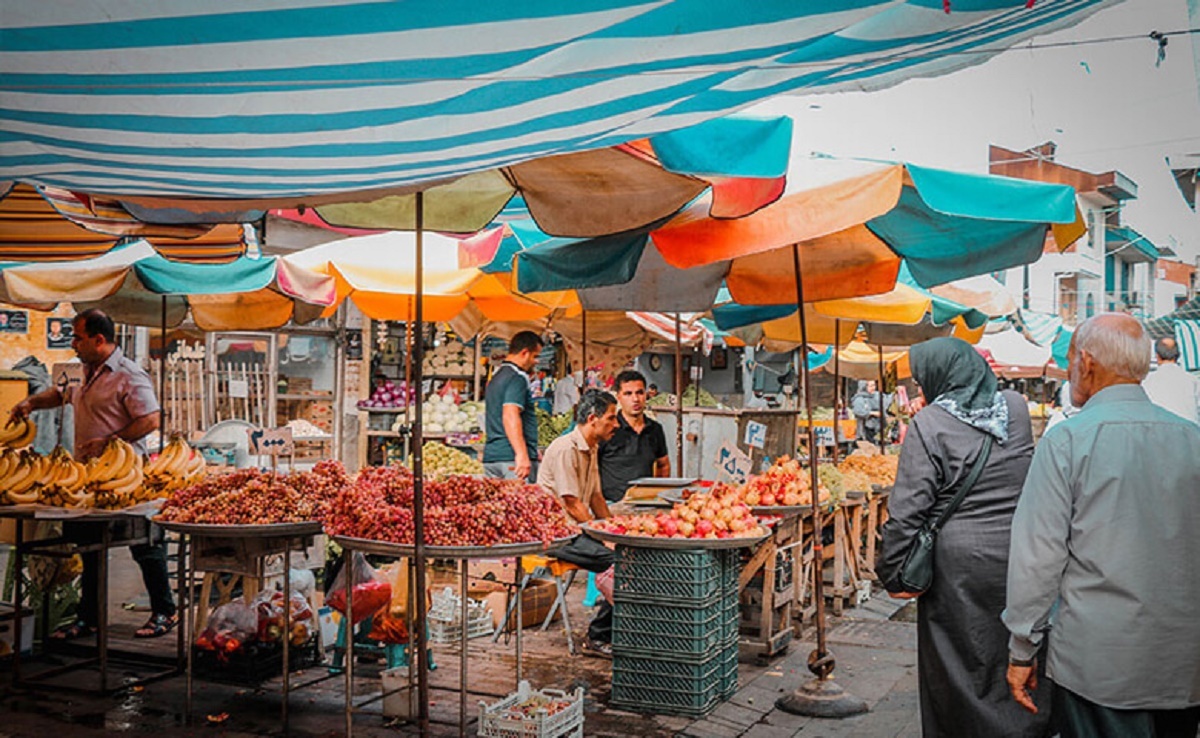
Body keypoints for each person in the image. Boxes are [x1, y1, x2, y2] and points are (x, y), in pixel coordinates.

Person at [1003, 314, 1200, 737]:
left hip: (1098, 665)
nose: (1071, 368)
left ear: (1087, 362)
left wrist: (1023, 649)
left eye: (1071, 357)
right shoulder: (1191, 440)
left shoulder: (1067, 441)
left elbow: (1037, 559)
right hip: (1183, 663)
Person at [877, 337, 1048, 738]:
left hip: (957, 570)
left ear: (940, 377)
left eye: (923, 380)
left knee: (958, 663)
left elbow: (908, 510)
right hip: (1019, 555)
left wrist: (893, 573)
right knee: (1015, 649)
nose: (921, 389)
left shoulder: (929, 423)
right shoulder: (1017, 408)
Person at [11, 309, 177, 639]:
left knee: (145, 547)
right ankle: (89, 617)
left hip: (125, 476)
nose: (72, 343)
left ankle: (164, 611)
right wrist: (31, 404)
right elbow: (60, 395)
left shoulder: (130, 375)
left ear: (99, 340)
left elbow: (150, 420)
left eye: (78, 337)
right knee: (88, 548)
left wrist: (110, 441)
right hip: (85, 477)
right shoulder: (79, 371)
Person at [537, 389, 621, 658]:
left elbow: (595, 497)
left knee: (627, 554)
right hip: (557, 535)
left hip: (577, 530)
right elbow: (573, 503)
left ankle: (614, 630)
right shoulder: (565, 449)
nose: (616, 425)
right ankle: (597, 637)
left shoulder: (591, 448)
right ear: (593, 418)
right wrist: (605, 537)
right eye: (611, 418)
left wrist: (614, 530)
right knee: (618, 561)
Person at [598, 370, 670, 504]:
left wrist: (659, 494)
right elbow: (591, 469)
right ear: (618, 397)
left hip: (645, 504)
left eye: (640, 392)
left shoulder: (655, 429)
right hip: (611, 504)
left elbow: (663, 464)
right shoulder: (608, 428)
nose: (635, 399)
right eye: (628, 394)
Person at [482, 331, 543, 482]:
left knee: (496, 505)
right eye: (535, 356)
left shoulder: (496, 377)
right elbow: (510, 414)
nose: (537, 362)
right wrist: (522, 454)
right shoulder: (517, 378)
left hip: (492, 457)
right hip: (511, 460)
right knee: (519, 503)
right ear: (524, 353)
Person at [1141, 336, 1200, 424]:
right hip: (1191, 432)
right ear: (1178, 355)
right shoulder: (1193, 381)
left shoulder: (1147, 381)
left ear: (1157, 356)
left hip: (1160, 431)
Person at [850, 379, 890, 444]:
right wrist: (872, 413)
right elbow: (858, 411)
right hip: (866, 429)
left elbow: (887, 401)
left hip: (880, 427)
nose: (873, 388)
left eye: (874, 385)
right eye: (870, 386)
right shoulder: (859, 399)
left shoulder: (877, 395)